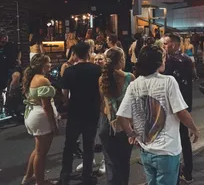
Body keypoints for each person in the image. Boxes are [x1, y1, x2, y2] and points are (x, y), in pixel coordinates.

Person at [117, 45, 199, 185]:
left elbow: (121, 116)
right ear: (157, 63)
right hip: (166, 151)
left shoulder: (134, 84)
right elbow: (181, 112)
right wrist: (193, 128)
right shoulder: (168, 81)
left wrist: (131, 135)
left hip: (146, 150)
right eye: (163, 58)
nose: (165, 60)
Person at [58, 42, 102, 185]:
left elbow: (64, 94)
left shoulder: (69, 71)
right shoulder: (97, 70)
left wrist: (68, 104)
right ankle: (87, 176)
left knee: (69, 144)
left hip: (75, 111)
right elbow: (101, 90)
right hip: (92, 111)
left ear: (75, 54)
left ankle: (65, 175)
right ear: (88, 53)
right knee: (88, 144)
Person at [99, 48, 135, 185]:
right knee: (124, 161)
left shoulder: (102, 79)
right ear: (120, 60)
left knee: (111, 162)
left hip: (106, 124)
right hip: (125, 125)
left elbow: (101, 104)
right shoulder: (129, 77)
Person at [22, 54, 58, 185]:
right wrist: (54, 125)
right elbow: (46, 106)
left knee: (37, 150)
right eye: (49, 62)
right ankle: (40, 182)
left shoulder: (33, 78)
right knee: (41, 153)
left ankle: (29, 177)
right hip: (41, 118)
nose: (51, 64)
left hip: (33, 116)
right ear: (42, 65)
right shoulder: (43, 80)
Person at [163, 34, 195, 183]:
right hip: (185, 104)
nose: (163, 47)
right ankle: (188, 171)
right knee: (184, 138)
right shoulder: (187, 59)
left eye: (166, 44)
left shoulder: (169, 61)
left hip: (172, 106)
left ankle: (174, 173)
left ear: (174, 45)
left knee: (172, 139)